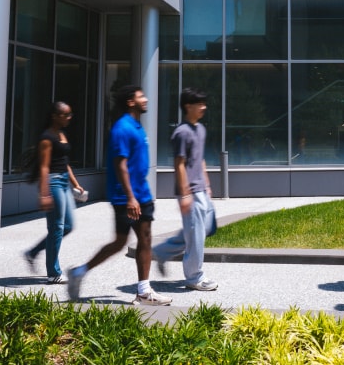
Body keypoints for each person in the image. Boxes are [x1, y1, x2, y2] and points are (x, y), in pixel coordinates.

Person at [67, 85, 172, 306]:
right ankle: (143, 291)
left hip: (139, 192)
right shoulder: (122, 128)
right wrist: (131, 197)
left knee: (124, 241)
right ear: (130, 102)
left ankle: (80, 272)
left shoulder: (135, 126)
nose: (146, 99)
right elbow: (120, 165)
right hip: (129, 196)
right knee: (138, 239)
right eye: (141, 96)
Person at [153, 88, 219, 291]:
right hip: (190, 190)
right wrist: (184, 194)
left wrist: (207, 185)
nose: (204, 107)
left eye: (204, 103)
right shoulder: (181, 133)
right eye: (200, 104)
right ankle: (194, 277)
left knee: (206, 228)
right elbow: (179, 164)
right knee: (196, 235)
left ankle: (162, 251)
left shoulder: (200, 129)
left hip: (201, 189)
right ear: (188, 106)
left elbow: (200, 159)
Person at [24, 101, 85, 284]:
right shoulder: (46, 138)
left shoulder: (61, 134)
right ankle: (53, 273)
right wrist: (44, 194)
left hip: (64, 182)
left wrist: (75, 183)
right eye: (66, 115)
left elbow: (64, 161)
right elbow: (44, 167)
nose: (69, 118)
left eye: (70, 114)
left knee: (68, 226)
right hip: (53, 182)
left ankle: (33, 252)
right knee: (57, 227)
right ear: (55, 116)